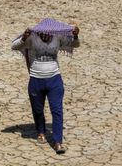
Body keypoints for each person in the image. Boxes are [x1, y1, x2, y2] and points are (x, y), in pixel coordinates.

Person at [11, 18, 80, 154]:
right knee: (37, 110)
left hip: (54, 79)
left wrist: (76, 35)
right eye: (44, 33)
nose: (46, 35)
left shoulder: (58, 37)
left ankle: (58, 142)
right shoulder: (32, 38)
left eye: (49, 33)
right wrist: (24, 38)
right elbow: (14, 46)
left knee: (57, 110)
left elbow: (75, 44)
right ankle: (41, 131)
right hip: (36, 79)